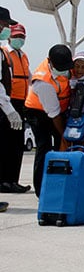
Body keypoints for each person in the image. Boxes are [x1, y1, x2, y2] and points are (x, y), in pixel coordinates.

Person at [25, 44, 73, 197]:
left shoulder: (68, 65)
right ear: (50, 62)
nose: (65, 70)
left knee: (61, 144)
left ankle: (61, 181)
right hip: (37, 112)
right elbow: (54, 115)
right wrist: (64, 135)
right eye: (60, 67)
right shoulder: (42, 81)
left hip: (60, 109)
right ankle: (41, 189)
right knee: (44, 146)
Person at [1, 23, 31, 193]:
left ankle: (13, 179)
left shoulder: (23, 55)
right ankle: (4, 180)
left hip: (21, 102)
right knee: (5, 142)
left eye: (22, 36)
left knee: (17, 143)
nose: (19, 39)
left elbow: (29, 77)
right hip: (7, 102)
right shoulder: (5, 53)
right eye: (16, 36)